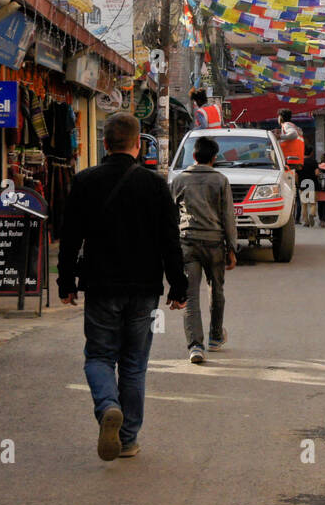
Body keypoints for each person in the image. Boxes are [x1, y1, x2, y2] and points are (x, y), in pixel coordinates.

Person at [58, 112, 187, 461]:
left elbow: (70, 238)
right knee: (133, 364)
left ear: (104, 143)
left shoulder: (85, 181)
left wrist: (65, 281)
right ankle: (127, 438)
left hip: (101, 285)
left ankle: (107, 405)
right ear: (137, 144)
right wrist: (179, 286)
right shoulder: (155, 185)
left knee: (99, 356)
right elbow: (169, 241)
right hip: (144, 288)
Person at [170, 135, 238, 365]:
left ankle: (195, 346)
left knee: (190, 296)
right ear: (214, 158)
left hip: (187, 243)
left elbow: (170, 218)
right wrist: (232, 248)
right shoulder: (221, 181)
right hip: (215, 244)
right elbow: (228, 216)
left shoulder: (179, 181)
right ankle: (216, 337)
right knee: (216, 290)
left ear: (194, 156)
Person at [297, 149, 318, 227]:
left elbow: (296, 175)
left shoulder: (300, 162)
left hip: (302, 184)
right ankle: (312, 214)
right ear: (311, 153)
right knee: (313, 203)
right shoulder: (314, 161)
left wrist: (297, 184)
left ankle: (306, 222)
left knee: (304, 205)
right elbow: (317, 173)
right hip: (312, 184)